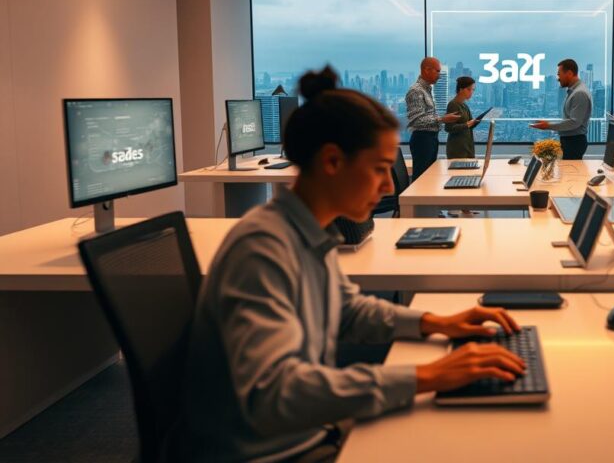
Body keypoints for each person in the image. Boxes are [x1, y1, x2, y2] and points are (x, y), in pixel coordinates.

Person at [182, 66, 525, 463]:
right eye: (380, 169)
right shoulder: (263, 249)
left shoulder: (309, 232)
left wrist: (435, 323)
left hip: (309, 430)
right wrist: (428, 375)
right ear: (331, 162)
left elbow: (347, 309)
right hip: (275, 451)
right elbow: (274, 395)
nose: (389, 187)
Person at [406, 57, 460, 181]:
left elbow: (426, 115)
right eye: (437, 71)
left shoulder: (426, 89)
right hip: (422, 140)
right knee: (422, 179)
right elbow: (416, 120)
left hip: (430, 139)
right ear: (426, 70)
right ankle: (418, 200)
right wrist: (442, 119)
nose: (439, 75)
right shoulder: (416, 91)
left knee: (429, 177)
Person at [529, 58, 592, 160]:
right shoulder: (574, 91)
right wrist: (547, 124)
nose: (558, 78)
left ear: (569, 73)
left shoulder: (580, 93)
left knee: (571, 174)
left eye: (559, 74)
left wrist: (548, 125)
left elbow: (574, 122)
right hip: (571, 141)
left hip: (574, 142)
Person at [445, 76, 480, 159]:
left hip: (467, 147)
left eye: (473, 90)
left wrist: (476, 121)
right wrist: (466, 125)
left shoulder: (464, 105)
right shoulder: (453, 104)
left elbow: (469, 124)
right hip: (457, 150)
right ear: (461, 90)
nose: (471, 92)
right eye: (469, 89)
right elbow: (449, 128)